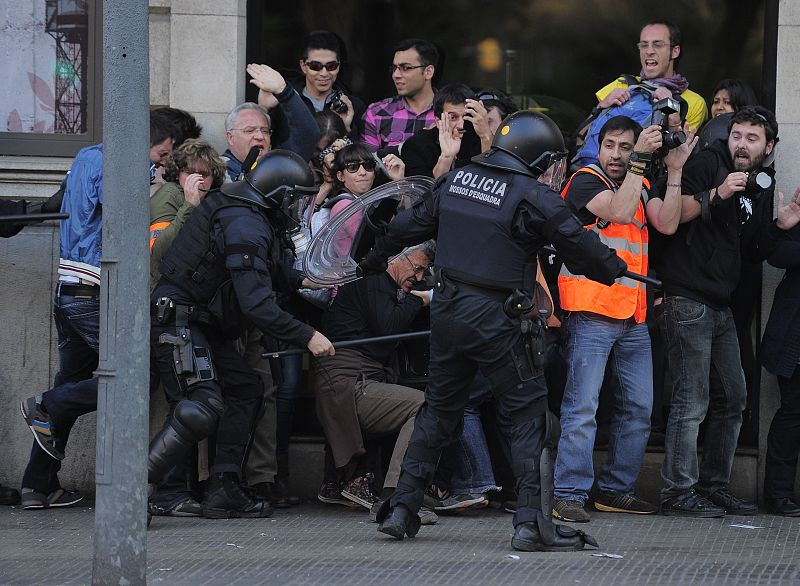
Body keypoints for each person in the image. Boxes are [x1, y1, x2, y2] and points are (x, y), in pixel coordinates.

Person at [359, 110, 628, 551]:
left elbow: (405, 228)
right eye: (549, 160)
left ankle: (403, 507)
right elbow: (578, 246)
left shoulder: (457, 180)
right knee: (528, 417)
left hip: (447, 313)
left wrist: (370, 261)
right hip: (500, 319)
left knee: (439, 410)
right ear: (535, 155)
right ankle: (530, 524)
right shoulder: (533, 195)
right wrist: (612, 266)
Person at [147, 150, 335, 519]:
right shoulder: (244, 222)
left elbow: (264, 265)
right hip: (178, 318)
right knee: (201, 405)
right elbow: (257, 305)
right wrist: (307, 336)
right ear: (277, 193)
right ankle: (133, 489)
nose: (296, 206)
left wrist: (301, 279)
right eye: (293, 197)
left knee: (245, 389)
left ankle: (224, 489)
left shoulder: (250, 212)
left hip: (201, 321)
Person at [18, 112, 178, 510]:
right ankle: (45, 405)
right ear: (146, 141)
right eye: (160, 155)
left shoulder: (86, 154)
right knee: (140, 376)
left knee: (70, 383)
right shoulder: (126, 163)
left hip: (68, 289)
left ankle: (39, 486)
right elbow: (122, 210)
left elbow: (65, 202)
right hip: (96, 290)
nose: (161, 163)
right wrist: (152, 182)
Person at [653, 106, 799, 517]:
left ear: (768, 147)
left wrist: (780, 227)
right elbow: (668, 217)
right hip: (686, 297)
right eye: (737, 135)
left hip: (720, 304)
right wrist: (718, 193)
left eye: (752, 139)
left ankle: (713, 485)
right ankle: (677, 492)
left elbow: (752, 251)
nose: (742, 144)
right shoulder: (705, 163)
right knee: (691, 400)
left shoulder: (758, 185)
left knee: (734, 396)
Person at [552, 115, 697, 523]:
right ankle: (568, 494)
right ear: (598, 147)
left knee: (639, 408)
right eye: (610, 145)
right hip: (591, 312)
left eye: (625, 147)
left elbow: (666, 223)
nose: (617, 154)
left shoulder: (641, 181)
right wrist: (640, 162)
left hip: (633, 315)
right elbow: (617, 213)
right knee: (583, 407)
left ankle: (616, 490)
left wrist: (674, 169)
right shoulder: (584, 180)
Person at [311, 242, 434, 512]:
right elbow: (387, 326)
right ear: (395, 259)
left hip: (349, 379)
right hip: (349, 381)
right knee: (424, 406)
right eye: (418, 268)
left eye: (425, 272)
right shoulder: (376, 283)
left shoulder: (377, 286)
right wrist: (419, 299)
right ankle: (399, 492)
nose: (420, 278)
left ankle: (339, 482)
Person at [593, 22, 707, 131]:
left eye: (658, 45)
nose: (649, 51)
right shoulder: (621, 84)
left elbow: (682, 150)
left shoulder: (695, 102)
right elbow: (580, 140)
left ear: (675, 52)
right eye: (644, 45)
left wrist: (671, 111)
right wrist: (601, 106)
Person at [761, 206, 800, 517]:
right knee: (793, 415)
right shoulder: (796, 222)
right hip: (795, 345)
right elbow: (775, 254)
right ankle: (778, 495)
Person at [221, 63, 319, 182]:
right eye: (249, 130)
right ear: (230, 137)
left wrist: (283, 92)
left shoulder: (276, 165)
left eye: (265, 131)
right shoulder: (216, 171)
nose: (260, 136)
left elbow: (307, 135)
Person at [361, 38, 438, 155]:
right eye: (394, 68)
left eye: (406, 68)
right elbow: (366, 166)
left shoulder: (451, 113)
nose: (395, 75)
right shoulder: (377, 113)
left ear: (428, 72)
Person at [401, 84, 493, 178]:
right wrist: (446, 157)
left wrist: (485, 136)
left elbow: (495, 180)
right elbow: (424, 191)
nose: (461, 125)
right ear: (438, 121)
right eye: (453, 117)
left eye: (466, 116)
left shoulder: (479, 137)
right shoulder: (417, 145)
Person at [292, 30, 366, 139]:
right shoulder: (288, 103)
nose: (324, 73)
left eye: (331, 66)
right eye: (316, 66)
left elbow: (361, 153)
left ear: (339, 66)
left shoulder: (354, 106)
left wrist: (346, 129)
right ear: (303, 66)